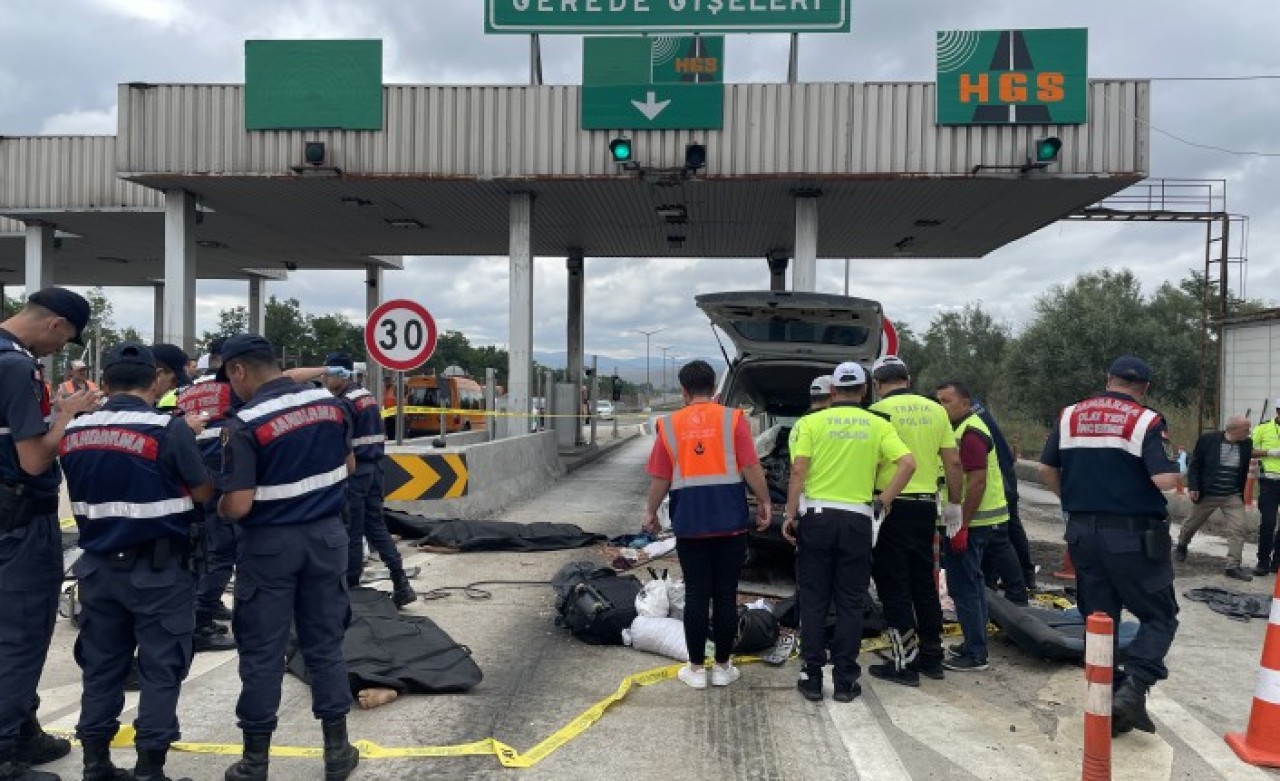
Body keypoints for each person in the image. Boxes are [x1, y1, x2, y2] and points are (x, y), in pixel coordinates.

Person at [61, 343, 213, 781]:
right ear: (155, 381)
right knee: (161, 668)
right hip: (160, 571)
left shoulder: (77, 430)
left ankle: (96, 764)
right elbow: (202, 492)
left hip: (98, 569)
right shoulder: (168, 429)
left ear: (103, 384)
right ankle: (150, 768)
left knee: (101, 667)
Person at [216, 335, 359, 781]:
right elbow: (350, 467)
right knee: (325, 645)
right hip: (328, 540)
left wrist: (217, 506)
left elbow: (237, 505)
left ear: (239, 370)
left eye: (229, 376)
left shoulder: (245, 423)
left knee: (263, 652)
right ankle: (337, 752)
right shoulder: (332, 407)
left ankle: (255, 761)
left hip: (270, 548)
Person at [1039, 356, 1181, 737]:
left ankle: (1104, 704)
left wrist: (1070, 501)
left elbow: (1046, 469)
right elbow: (1165, 480)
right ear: (1145, 388)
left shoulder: (1069, 415)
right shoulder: (1147, 420)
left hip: (1083, 533)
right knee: (1159, 616)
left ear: (1108, 379)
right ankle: (1133, 689)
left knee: (1100, 620)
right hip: (1133, 535)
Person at [0, 287, 99, 781]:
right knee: (20, 635)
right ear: (56, 325)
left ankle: (22, 729)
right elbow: (35, 457)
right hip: (17, 520)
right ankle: (5, 751)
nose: (57, 352)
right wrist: (67, 415)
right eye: (63, 342)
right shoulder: (17, 367)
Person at [783, 362, 916, 702]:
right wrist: (884, 501)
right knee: (850, 602)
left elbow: (799, 469)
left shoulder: (811, 422)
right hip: (857, 521)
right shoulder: (877, 424)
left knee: (813, 599)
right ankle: (845, 681)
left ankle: (811, 676)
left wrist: (790, 513)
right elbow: (908, 464)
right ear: (864, 390)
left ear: (831, 392)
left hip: (817, 518)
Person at [643, 360, 771, 690]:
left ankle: (697, 670)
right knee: (726, 595)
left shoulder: (670, 426)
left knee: (698, 595)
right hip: (730, 523)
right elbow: (751, 466)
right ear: (714, 389)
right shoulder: (733, 420)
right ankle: (724, 667)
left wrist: (650, 513)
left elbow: (660, 477)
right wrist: (765, 502)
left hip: (691, 524)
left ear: (684, 391)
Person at [867, 356, 962, 686]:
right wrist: (954, 505)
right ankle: (932, 658)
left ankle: (902, 663)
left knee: (894, 585)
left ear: (878, 386)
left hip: (890, 506)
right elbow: (953, 462)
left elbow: (869, 463)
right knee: (924, 581)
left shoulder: (878, 412)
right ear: (907, 378)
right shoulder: (936, 410)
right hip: (926, 508)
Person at [322, 353, 416, 607]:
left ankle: (351, 590)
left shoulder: (343, 403)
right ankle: (401, 581)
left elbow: (343, 447)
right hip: (375, 468)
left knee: (352, 530)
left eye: (328, 374)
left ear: (341, 375)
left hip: (357, 472)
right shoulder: (365, 396)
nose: (323, 379)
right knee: (376, 526)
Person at [935, 381, 1017, 672]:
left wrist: (963, 524)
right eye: (939, 401)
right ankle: (974, 642)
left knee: (964, 586)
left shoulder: (971, 433)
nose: (941, 406)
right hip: (977, 520)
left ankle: (975, 653)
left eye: (947, 401)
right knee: (974, 582)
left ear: (966, 403)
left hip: (974, 521)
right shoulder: (960, 429)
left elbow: (978, 480)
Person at [176, 338, 239, 652]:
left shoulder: (186, 389)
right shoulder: (233, 388)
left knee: (202, 548)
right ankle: (200, 622)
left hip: (189, 474)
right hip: (220, 474)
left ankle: (206, 606)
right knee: (223, 551)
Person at [971, 397, 1035, 598]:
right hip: (1002, 471)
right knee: (1008, 530)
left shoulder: (966, 417)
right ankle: (1021, 579)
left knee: (999, 537)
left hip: (996, 477)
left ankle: (1017, 588)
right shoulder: (974, 406)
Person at [1177, 416, 1254, 581]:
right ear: (1234, 430)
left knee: (1238, 528)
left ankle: (1233, 565)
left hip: (1232, 495)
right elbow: (1195, 464)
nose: (1249, 432)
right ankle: (1182, 545)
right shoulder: (1208, 440)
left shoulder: (1247, 444)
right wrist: (1194, 487)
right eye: (1246, 429)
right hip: (1209, 493)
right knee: (1192, 523)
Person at [1251, 402, 1280, 576]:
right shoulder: (1263, 429)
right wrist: (1270, 452)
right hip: (1269, 482)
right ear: (1277, 411)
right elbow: (1249, 450)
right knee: (1268, 523)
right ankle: (1263, 561)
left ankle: (1277, 562)